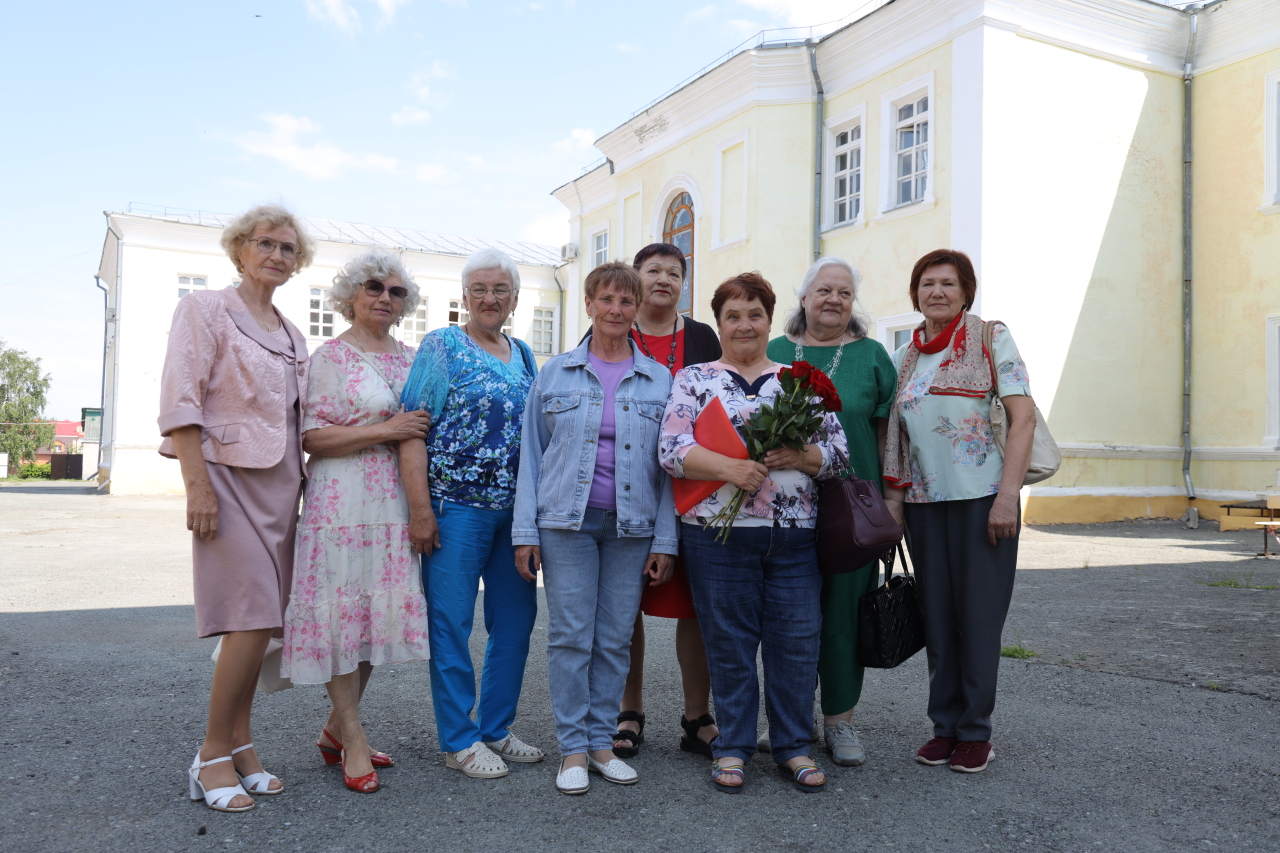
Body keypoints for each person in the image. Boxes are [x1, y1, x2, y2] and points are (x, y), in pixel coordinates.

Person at [659, 272, 848, 794]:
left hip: (793, 536)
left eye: (755, 314)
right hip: (717, 538)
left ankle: (792, 746)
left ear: (770, 320)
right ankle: (733, 746)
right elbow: (672, 451)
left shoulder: (798, 380)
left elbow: (839, 456)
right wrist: (730, 469)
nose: (745, 325)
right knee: (729, 643)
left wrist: (801, 456)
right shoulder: (694, 379)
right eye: (733, 316)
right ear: (719, 324)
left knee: (796, 641)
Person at [159, 204, 314, 812]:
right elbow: (181, 398)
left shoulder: (291, 332)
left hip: (281, 486)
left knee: (265, 625)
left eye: (287, 249)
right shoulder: (204, 309)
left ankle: (242, 746)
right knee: (247, 618)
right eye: (266, 243)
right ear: (239, 248)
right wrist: (196, 486)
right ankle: (209, 755)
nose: (276, 255)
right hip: (224, 481)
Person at [513, 261, 678, 795]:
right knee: (570, 637)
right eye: (605, 299)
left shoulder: (659, 378)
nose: (615, 310)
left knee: (613, 639)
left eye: (625, 302)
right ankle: (573, 750)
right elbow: (531, 458)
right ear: (589, 304)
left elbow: (672, 467)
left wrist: (665, 539)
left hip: (632, 527)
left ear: (636, 310)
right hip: (567, 524)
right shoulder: (555, 373)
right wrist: (525, 532)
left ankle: (603, 742)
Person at [281, 249, 432, 794]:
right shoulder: (329, 358)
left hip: (393, 503)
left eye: (395, 291)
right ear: (350, 295)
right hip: (340, 503)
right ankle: (354, 734)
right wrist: (386, 430)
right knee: (341, 617)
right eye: (373, 287)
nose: (384, 298)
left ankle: (332, 731)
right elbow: (311, 439)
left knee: (372, 618)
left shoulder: (415, 357)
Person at [882, 248, 1036, 774]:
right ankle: (943, 727)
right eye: (927, 284)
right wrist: (896, 507)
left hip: (983, 502)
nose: (937, 292)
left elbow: (1023, 419)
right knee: (939, 621)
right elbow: (898, 439)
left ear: (966, 291)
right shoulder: (907, 354)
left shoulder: (992, 338)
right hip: (925, 505)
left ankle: (976, 732)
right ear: (915, 293)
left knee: (979, 619)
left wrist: (1007, 496)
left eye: (948, 283)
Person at [399, 248, 544, 779]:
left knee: (515, 622)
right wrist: (420, 511)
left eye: (500, 290)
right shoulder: (443, 345)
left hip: (513, 514)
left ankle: (495, 727)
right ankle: (459, 738)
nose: (489, 298)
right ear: (464, 297)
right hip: (453, 507)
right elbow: (412, 427)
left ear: (514, 299)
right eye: (479, 289)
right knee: (451, 624)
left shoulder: (525, 353)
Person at [766, 257, 896, 767]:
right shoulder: (775, 351)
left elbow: (889, 437)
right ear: (803, 297)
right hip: (781, 507)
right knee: (783, 617)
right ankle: (788, 721)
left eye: (844, 293)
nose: (833, 300)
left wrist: (893, 502)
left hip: (854, 510)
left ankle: (839, 722)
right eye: (824, 290)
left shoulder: (873, 356)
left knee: (843, 612)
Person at [609, 243, 722, 760]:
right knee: (624, 602)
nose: (662, 279)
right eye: (652, 270)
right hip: (625, 485)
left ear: (683, 282)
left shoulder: (701, 336)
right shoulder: (613, 328)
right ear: (635, 279)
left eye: (673, 272)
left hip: (691, 487)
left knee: (694, 605)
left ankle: (697, 715)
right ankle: (628, 710)